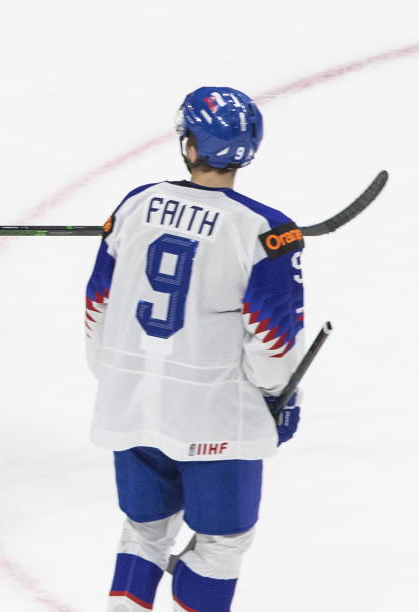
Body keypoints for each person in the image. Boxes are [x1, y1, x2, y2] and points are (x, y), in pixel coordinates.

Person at [85, 87, 304, 611]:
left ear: (190, 145)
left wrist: (117, 379)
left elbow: (98, 304)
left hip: (131, 400)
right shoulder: (267, 231)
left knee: (144, 531)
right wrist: (280, 399)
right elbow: (273, 341)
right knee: (221, 544)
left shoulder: (135, 203)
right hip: (215, 415)